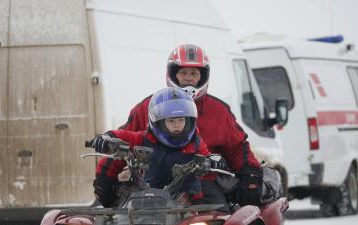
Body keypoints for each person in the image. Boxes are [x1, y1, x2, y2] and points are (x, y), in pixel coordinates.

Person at [97, 44, 263, 208]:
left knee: (219, 214)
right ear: (172, 74)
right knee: (120, 215)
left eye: (194, 73)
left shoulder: (219, 111)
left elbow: (237, 147)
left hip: (199, 182)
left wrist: (251, 174)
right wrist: (106, 176)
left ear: (204, 76)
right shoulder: (150, 106)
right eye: (183, 73)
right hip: (149, 182)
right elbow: (125, 140)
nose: (188, 78)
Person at [90, 87, 221, 206]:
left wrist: (213, 163)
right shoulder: (143, 139)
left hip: (187, 203)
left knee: (217, 213)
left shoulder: (195, 142)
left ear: (189, 120)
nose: (177, 125)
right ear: (158, 122)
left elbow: (206, 159)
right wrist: (107, 139)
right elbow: (121, 136)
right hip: (143, 200)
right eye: (171, 121)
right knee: (109, 165)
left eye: (181, 120)